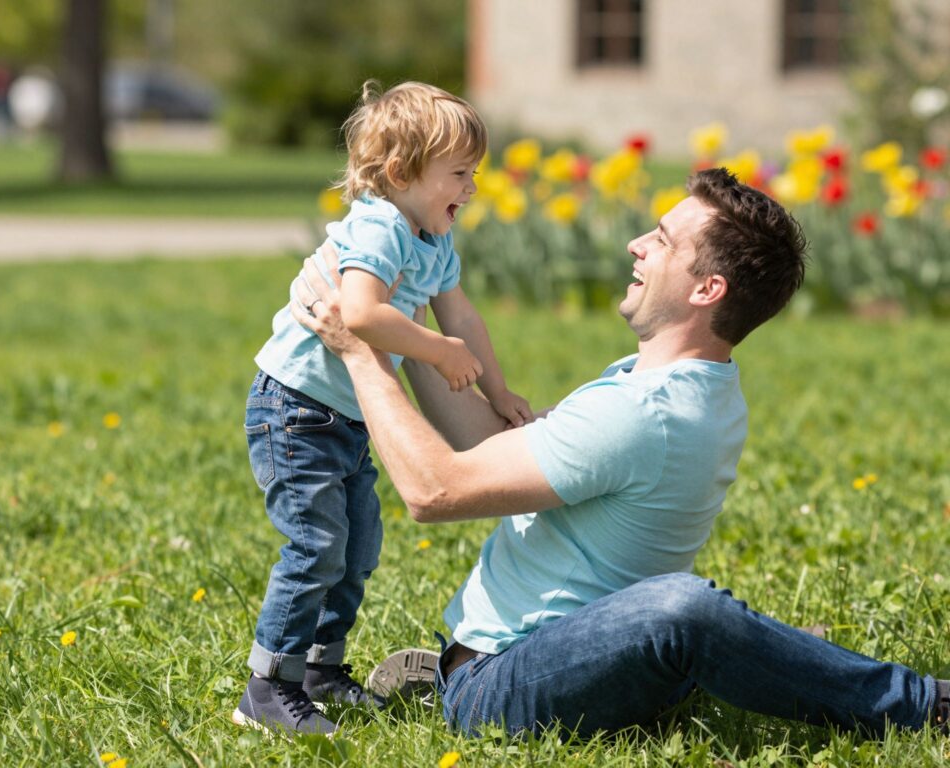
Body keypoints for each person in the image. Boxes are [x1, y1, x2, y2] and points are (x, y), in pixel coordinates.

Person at [291, 167, 950, 738]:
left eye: (662, 241)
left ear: (706, 289)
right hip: (549, 659)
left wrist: (361, 353)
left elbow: (434, 493)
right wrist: (399, 325)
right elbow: (493, 449)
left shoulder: (648, 413)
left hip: (494, 691)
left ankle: (921, 707)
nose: (636, 245)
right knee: (675, 608)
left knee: (682, 610)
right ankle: (444, 670)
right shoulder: (675, 385)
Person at [233, 80, 531, 736]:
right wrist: (438, 348)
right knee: (317, 544)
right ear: (401, 173)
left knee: (357, 545)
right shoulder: (380, 226)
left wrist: (497, 392)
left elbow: (464, 316)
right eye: (458, 173)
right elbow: (361, 314)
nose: (471, 187)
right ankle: (266, 685)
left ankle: (320, 670)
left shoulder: (432, 240)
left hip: (344, 418)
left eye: (473, 173)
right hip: (296, 409)